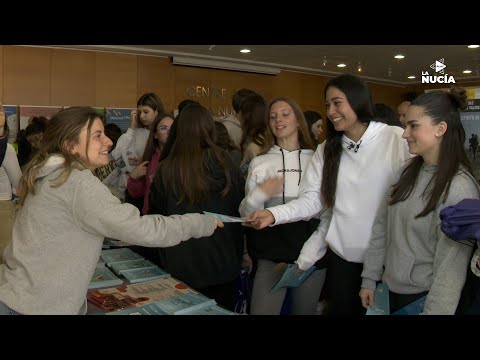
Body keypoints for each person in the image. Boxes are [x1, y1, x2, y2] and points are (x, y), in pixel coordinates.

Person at [0, 107, 223, 315]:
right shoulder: (77, 183)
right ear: (70, 146)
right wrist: (199, 223)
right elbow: (143, 229)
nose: (108, 141)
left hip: (16, 295)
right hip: (37, 306)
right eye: (97, 136)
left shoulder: (48, 173)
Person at [246, 74, 410, 315]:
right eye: (327, 105)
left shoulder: (395, 138)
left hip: (387, 260)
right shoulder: (327, 149)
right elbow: (313, 201)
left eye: (337, 102)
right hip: (342, 261)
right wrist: (272, 214)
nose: (331, 111)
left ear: (357, 100)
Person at [360, 87, 480, 315]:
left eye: (413, 125)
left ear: (440, 129)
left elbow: (450, 268)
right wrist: (370, 279)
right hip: (389, 292)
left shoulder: (459, 187)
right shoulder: (407, 171)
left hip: (423, 300)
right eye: (405, 124)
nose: (405, 133)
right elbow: (381, 227)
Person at [150, 104, 244, 311]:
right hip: (223, 262)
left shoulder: (166, 168)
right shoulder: (226, 160)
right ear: (209, 128)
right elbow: (239, 209)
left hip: (180, 264)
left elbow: (156, 218)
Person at [239, 97, 326, 315]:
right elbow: (246, 216)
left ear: (298, 121)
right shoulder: (260, 162)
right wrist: (260, 195)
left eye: (285, 114)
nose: (278, 120)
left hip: (311, 255)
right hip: (270, 255)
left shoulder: (318, 159)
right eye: (273, 116)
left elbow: (326, 211)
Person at [109, 92, 166, 197]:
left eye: (146, 112)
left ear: (156, 111)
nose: (142, 116)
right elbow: (117, 155)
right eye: (139, 112)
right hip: (132, 186)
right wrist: (131, 128)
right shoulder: (136, 132)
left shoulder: (164, 133)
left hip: (155, 188)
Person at [127, 113, 174, 215]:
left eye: (173, 128)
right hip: (150, 218)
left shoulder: (181, 158)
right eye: (164, 128)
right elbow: (138, 193)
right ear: (155, 134)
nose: (169, 132)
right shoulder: (148, 158)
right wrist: (134, 178)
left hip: (174, 219)